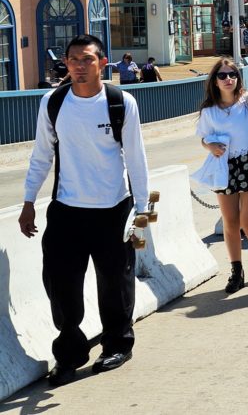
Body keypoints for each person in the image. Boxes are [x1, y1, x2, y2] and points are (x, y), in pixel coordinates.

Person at [19, 35, 150, 386]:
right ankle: (70, 354)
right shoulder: (53, 102)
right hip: (66, 211)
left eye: (87, 59)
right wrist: (29, 202)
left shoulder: (121, 102)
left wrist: (143, 211)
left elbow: (136, 158)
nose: (79, 65)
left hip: (113, 209)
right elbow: (41, 155)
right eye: (73, 59)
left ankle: (118, 345)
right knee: (61, 286)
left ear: (102, 63)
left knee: (115, 284)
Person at [196, 56, 248, 293]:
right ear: (215, 81)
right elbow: (203, 138)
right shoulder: (209, 111)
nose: (228, 79)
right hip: (224, 167)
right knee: (230, 222)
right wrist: (210, 147)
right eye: (222, 75)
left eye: (232, 74)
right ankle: (235, 270)